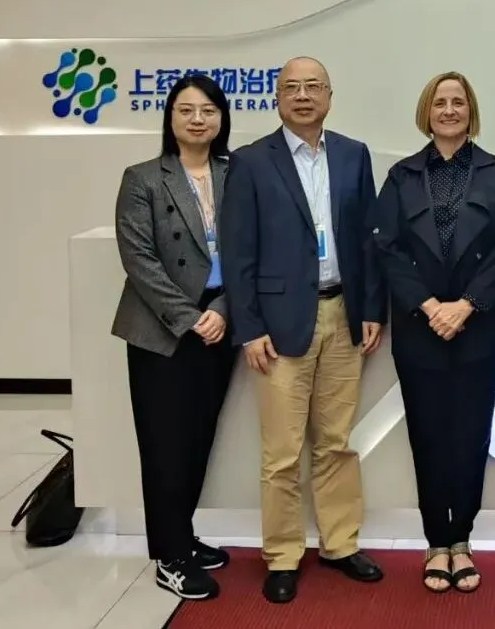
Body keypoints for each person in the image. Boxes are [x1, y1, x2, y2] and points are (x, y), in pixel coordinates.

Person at [219, 56, 387, 604]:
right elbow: (238, 252)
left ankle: (340, 543)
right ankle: (283, 554)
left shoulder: (353, 154)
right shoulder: (250, 162)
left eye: (313, 86)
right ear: (277, 98)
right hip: (278, 323)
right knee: (283, 453)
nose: (303, 95)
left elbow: (368, 239)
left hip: (343, 314)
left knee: (336, 443)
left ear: (330, 96)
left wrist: (371, 308)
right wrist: (249, 328)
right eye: (291, 87)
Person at [370, 72, 495, 594]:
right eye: (440, 102)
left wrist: (467, 306)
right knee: (428, 436)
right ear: (427, 112)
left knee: (472, 437)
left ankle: (462, 540)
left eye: (459, 102)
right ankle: (437, 541)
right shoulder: (402, 176)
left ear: (471, 111)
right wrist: (431, 305)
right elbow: (387, 247)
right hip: (421, 326)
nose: (450, 110)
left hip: (479, 327)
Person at [112, 74, 236, 601]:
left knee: (199, 439)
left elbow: (250, 251)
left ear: (221, 118)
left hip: (220, 324)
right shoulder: (143, 177)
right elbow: (138, 258)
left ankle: (182, 536)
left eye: (208, 110)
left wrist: (222, 310)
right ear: (170, 118)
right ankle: (169, 556)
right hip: (162, 330)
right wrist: (191, 316)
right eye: (186, 110)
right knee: (164, 445)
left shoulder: (235, 174)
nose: (198, 119)